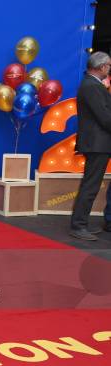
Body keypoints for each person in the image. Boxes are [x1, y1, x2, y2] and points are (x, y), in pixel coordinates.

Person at [70, 51, 111, 240]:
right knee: (90, 185)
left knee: (91, 184)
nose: (109, 69)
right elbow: (105, 118)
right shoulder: (92, 86)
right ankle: (78, 226)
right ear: (102, 67)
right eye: (108, 66)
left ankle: (81, 224)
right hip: (97, 144)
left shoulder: (92, 84)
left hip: (99, 143)